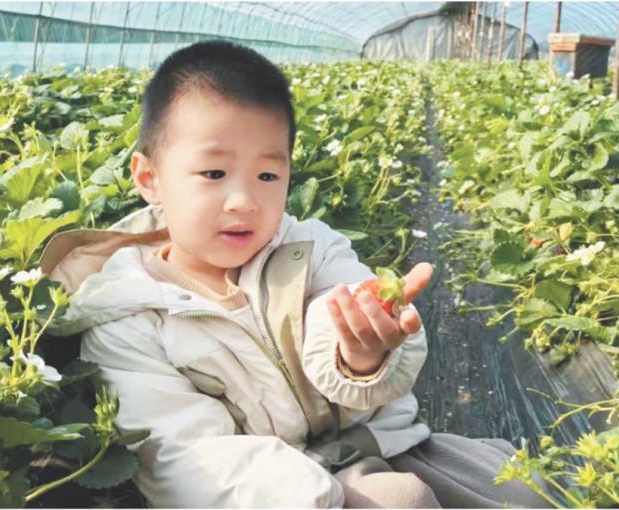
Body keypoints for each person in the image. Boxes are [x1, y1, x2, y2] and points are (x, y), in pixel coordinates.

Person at [40, 41, 549, 508]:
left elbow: (337, 303)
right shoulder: (124, 316)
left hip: (378, 443)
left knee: (523, 490)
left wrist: (360, 356)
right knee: (402, 501)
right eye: (214, 174)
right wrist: (318, 495)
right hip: (273, 494)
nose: (243, 201)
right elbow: (184, 455)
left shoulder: (310, 248)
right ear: (149, 178)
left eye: (268, 174)